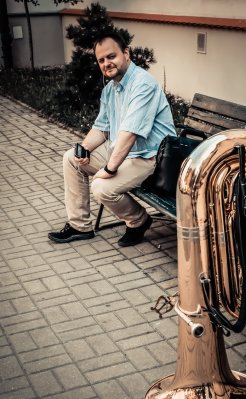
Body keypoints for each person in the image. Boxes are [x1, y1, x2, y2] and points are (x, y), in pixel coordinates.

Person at [48, 31, 176, 247]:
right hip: (125, 151)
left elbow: (130, 133)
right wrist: (84, 149)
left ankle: (139, 221)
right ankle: (80, 226)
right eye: (101, 60)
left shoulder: (142, 84)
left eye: (111, 56)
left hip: (151, 157)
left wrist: (108, 169)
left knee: (101, 187)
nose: (106, 63)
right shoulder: (110, 89)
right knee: (71, 158)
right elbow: (103, 128)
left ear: (126, 53)